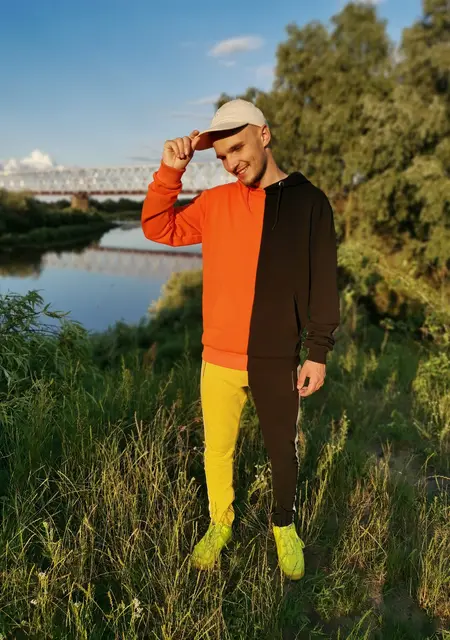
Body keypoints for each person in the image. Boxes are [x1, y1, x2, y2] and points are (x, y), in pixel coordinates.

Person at [141, 99, 340, 580]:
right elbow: (157, 227)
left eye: (237, 148)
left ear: (263, 135)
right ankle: (220, 523)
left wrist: (317, 352)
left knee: (282, 450)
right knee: (217, 450)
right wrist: (170, 172)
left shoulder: (310, 203)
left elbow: (323, 282)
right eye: (222, 156)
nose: (231, 162)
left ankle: (284, 526)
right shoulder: (215, 203)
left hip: (276, 357)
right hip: (218, 359)